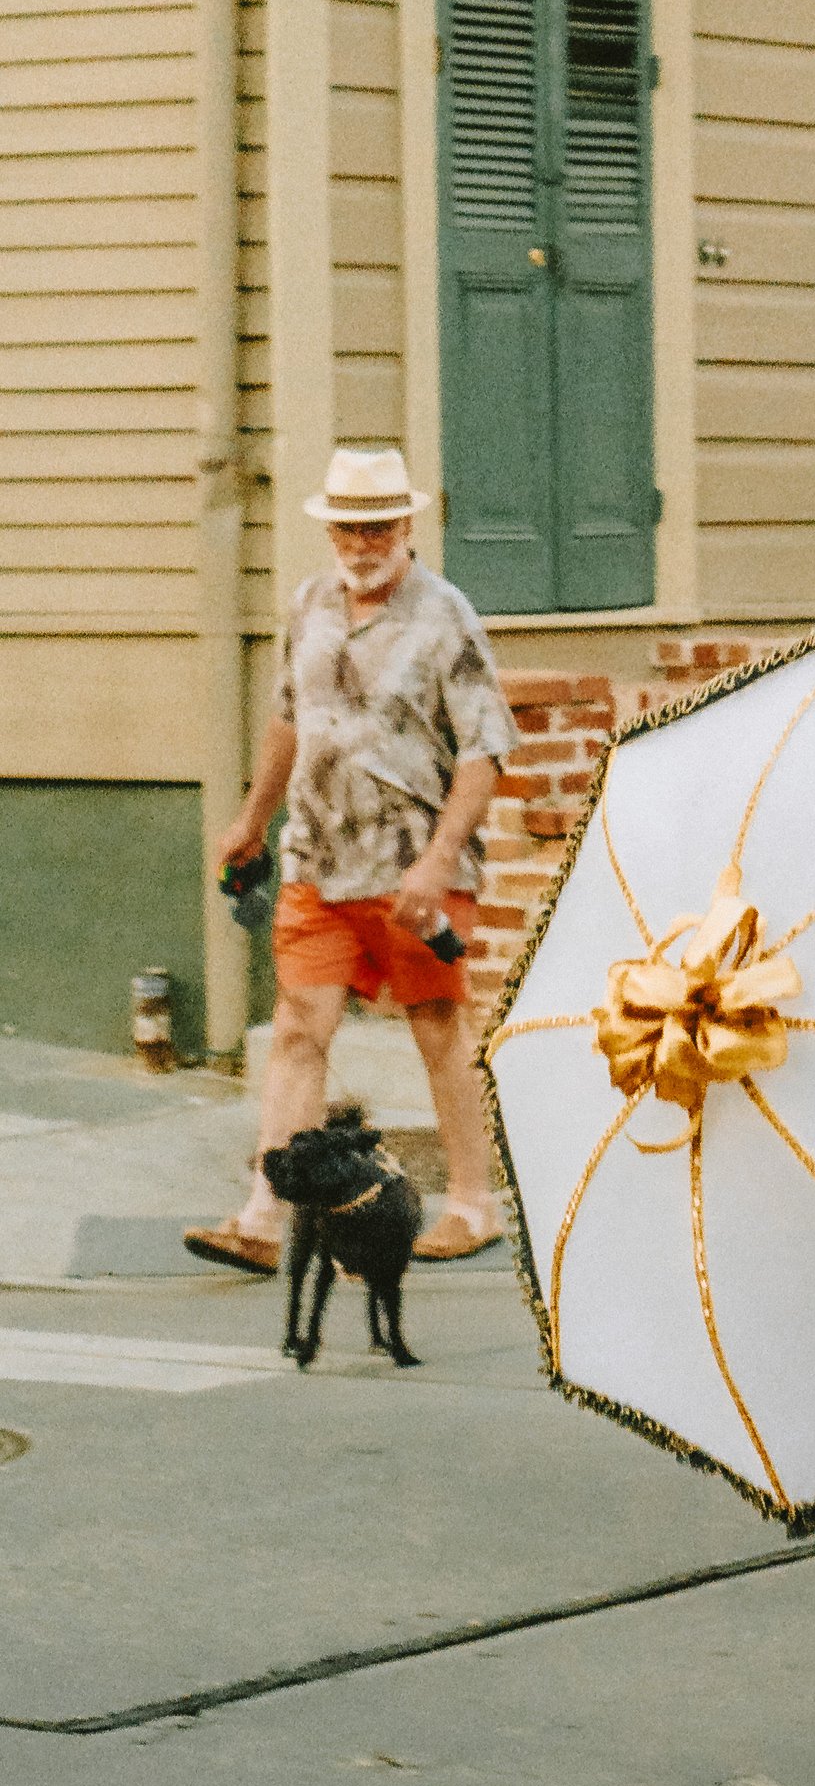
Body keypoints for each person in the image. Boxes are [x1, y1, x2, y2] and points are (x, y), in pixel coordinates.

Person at [186, 446, 516, 1274]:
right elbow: (289, 719)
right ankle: (266, 1216)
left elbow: (485, 752)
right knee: (299, 1027)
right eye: (348, 525)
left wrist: (440, 860)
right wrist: (252, 820)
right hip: (317, 863)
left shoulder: (446, 616)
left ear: (407, 524)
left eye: (378, 525)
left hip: (412, 871)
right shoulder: (308, 605)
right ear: (329, 527)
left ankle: (473, 1206)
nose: (362, 541)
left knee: (438, 1026)